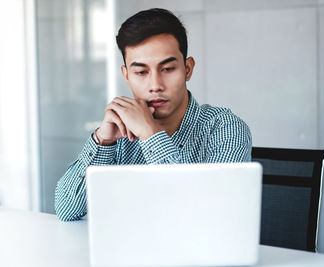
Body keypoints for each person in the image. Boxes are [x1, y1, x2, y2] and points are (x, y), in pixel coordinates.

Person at [55, 8, 252, 221]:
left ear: (187, 69)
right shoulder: (120, 131)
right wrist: (102, 141)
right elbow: (67, 209)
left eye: (167, 69)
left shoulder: (225, 128)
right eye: (141, 72)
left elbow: (207, 216)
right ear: (127, 75)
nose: (155, 86)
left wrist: (150, 134)